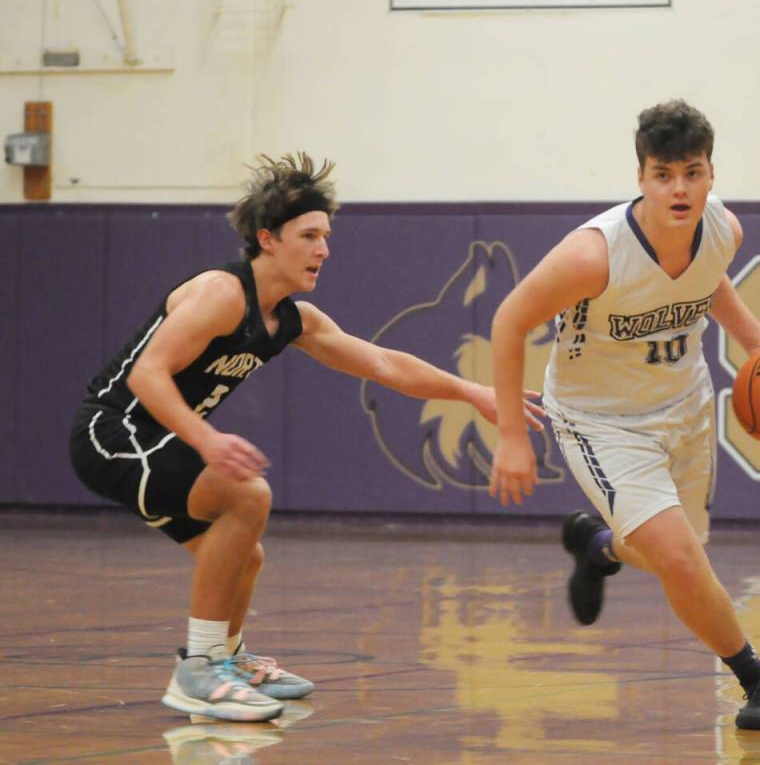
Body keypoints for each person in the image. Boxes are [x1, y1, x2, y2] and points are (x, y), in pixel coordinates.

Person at [69, 153, 545, 723]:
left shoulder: (293, 319)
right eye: (310, 235)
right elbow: (148, 375)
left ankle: (226, 661)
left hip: (156, 437)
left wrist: (473, 393)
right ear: (267, 240)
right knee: (248, 495)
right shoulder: (222, 293)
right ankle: (198, 669)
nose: (324, 249)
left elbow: (385, 364)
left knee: (245, 554)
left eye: (326, 235)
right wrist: (207, 440)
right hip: (112, 431)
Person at [488, 99, 760, 731]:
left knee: (681, 554)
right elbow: (510, 320)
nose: (679, 188)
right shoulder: (594, 255)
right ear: (641, 178)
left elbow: (708, 283)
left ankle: (600, 549)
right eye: (663, 174)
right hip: (599, 420)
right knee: (682, 561)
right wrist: (512, 434)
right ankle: (756, 677)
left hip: (684, 406)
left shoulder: (724, 230)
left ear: (711, 173)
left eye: (692, 172)